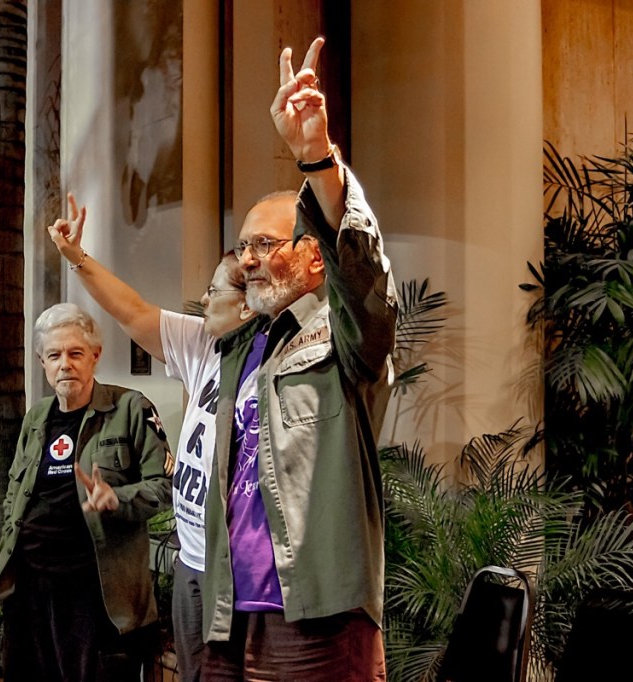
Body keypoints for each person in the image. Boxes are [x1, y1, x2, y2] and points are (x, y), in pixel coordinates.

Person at [201, 37, 398, 681]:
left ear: (315, 256)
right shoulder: (245, 345)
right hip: (231, 611)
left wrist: (315, 156)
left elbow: (366, 285)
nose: (248, 258)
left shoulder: (347, 344)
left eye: (263, 243)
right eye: (241, 247)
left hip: (314, 613)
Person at [46, 200, 256, 682]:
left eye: (213, 290)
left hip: (235, 571)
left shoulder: (270, 365)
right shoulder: (205, 344)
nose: (203, 300)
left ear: (247, 303)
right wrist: (76, 256)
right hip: (191, 559)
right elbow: (132, 310)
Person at [0, 303, 173, 681]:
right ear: (42, 362)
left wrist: (117, 499)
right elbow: (15, 492)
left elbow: (166, 487)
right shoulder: (36, 417)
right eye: (54, 355)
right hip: (30, 589)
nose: (65, 364)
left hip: (94, 594)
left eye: (75, 353)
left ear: (95, 357)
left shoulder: (131, 408)